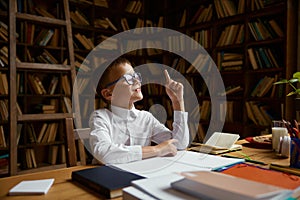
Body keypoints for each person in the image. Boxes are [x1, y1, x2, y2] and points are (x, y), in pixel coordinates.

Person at [89, 57, 189, 164]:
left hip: (140, 173)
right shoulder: (100, 117)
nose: (137, 81)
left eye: (136, 76)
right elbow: (103, 154)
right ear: (108, 94)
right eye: (128, 78)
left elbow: (179, 145)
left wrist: (178, 101)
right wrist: (156, 150)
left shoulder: (146, 118)